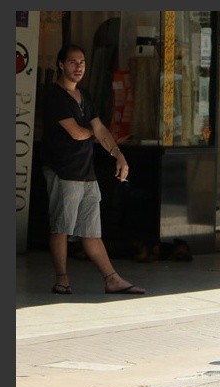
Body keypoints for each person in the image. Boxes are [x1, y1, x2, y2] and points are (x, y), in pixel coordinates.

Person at [41, 44, 145, 295]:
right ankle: (62, 279)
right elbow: (78, 133)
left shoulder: (84, 96)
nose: (78, 67)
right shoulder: (54, 96)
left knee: (91, 231)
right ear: (60, 64)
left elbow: (99, 128)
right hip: (63, 171)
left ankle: (111, 278)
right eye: (73, 62)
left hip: (86, 172)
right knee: (61, 228)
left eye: (82, 63)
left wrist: (119, 155)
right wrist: (95, 134)